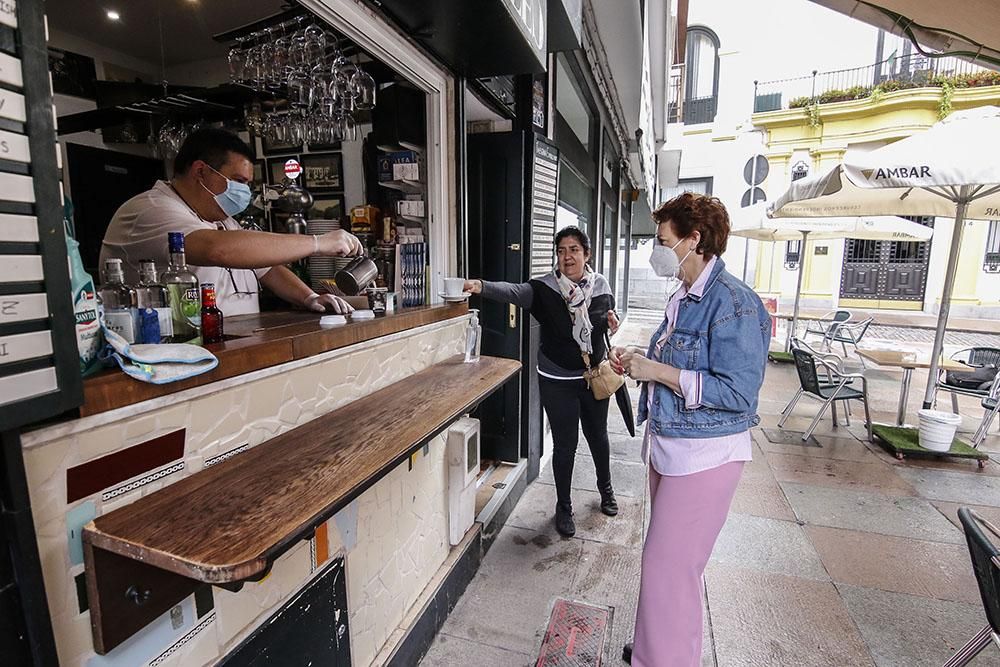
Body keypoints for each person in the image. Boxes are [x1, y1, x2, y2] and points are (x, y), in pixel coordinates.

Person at [610, 193, 770, 666]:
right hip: (672, 449)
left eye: (663, 240)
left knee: (667, 568)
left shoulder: (735, 303)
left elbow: (739, 393)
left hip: (706, 457)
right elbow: (681, 362)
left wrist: (656, 373)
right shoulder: (684, 295)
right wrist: (641, 360)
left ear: (693, 240)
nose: (656, 250)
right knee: (669, 568)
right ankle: (656, 650)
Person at [100, 127, 362, 316]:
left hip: (236, 343)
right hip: (181, 352)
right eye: (238, 181)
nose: (244, 192)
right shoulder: (152, 209)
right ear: (200, 171)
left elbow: (267, 269)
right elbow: (218, 249)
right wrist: (318, 243)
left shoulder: (221, 218)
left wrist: (310, 297)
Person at [463, 226, 620, 537]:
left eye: (574, 249)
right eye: (561, 251)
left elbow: (603, 320)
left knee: (598, 438)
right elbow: (512, 291)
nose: (567, 256)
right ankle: (563, 507)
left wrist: (611, 322)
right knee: (565, 445)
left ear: (586, 254)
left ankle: (606, 489)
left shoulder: (600, 285)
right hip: (557, 379)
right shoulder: (544, 288)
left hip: (593, 378)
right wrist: (480, 285)